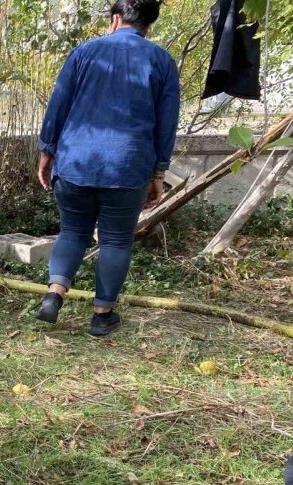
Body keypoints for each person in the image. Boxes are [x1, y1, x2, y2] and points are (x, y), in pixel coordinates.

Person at [35, 0, 179, 337]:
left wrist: (47, 151)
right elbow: (167, 122)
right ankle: (102, 316)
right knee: (115, 240)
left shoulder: (84, 52)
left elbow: (59, 103)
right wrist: (159, 173)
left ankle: (54, 294)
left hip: (76, 160)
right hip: (128, 165)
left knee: (73, 230)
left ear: (115, 20)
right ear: (148, 25)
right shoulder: (161, 60)